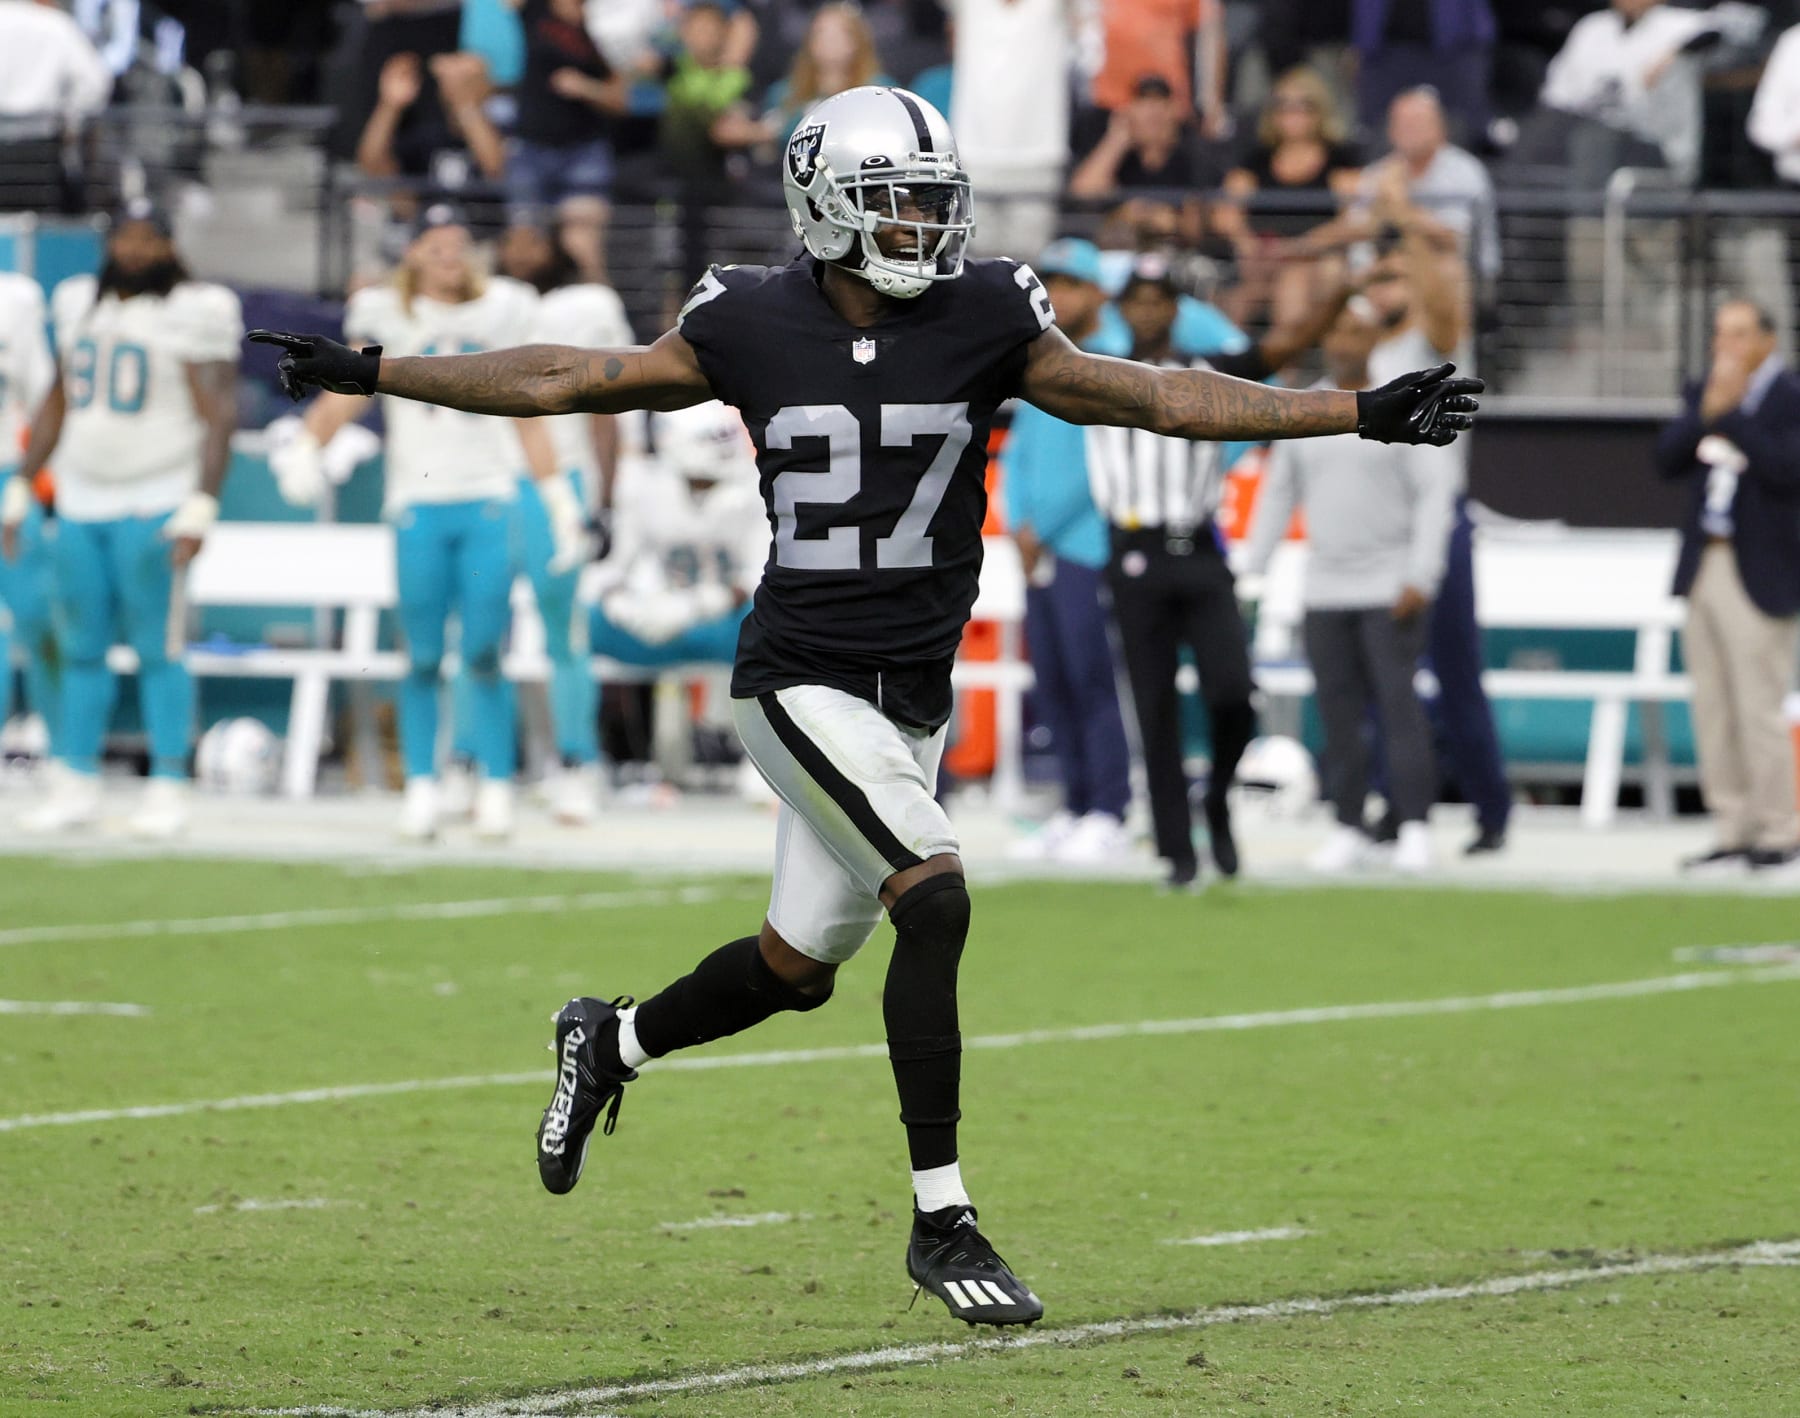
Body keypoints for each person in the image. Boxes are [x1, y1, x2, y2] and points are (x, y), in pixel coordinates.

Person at [251, 85, 1479, 1326]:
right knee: (932, 896)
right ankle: (944, 1217)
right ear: (825, 205)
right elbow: (570, 374)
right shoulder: (746, 316)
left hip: (909, 700)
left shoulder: (988, 311)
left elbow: (1156, 394)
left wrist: (1355, 412)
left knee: (795, 967)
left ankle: (607, 1040)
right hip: (798, 678)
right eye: (896, 205)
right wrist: (379, 371)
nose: (922, 230)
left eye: (935, 205)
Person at [268, 206, 579, 842]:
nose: (448, 257)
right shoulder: (388, 313)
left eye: (457, 245)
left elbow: (525, 403)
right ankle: (422, 786)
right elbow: (349, 386)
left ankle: (495, 783)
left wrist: (557, 497)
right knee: (422, 656)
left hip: (487, 495)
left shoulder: (503, 309)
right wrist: (307, 444)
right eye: (435, 246)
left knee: (485, 651)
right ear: (412, 253)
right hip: (417, 501)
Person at [1087, 254, 1359, 888]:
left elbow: (1280, 348)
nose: (1149, 310)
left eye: (1160, 299)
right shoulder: (1093, 371)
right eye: (1138, 299)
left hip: (1201, 547)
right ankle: (1176, 851)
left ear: (1176, 307)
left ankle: (1217, 798)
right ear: (1121, 308)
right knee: (1153, 705)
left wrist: (1338, 293)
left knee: (1234, 692)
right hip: (1133, 549)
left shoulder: (1208, 371)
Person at [2, 201, 241, 837]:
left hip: (155, 496)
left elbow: (219, 411)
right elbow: (57, 398)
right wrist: (24, 481)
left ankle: (169, 782)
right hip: (81, 496)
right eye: (124, 239)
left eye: (146, 240)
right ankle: (75, 777)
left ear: (168, 246)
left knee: (159, 649)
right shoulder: (79, 300)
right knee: (80, 647)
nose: (134, 251)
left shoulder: (195, 308)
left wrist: (203, 502)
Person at [1243, 295, 1457, 875]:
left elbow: (1435, 492)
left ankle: (1413, 826)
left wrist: (1422, 573)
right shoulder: (1307, 407)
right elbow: (1278, 491)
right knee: (1336, 716)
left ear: (1373, 339)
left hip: (1389, 585)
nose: (1344, 343)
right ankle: (1348, 825)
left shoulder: (1400, 402)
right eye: (1335, 331)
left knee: (1398, 709)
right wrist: (1254, 565)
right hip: (1325, 588)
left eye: (1356, 331)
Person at [1359, 169, 1511, 856]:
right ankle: (1395, 803)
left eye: (1395, 278)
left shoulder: (1435, 342)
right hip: (1378, 527)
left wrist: (1404, 221)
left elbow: (1448, 306)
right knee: (1384, 679)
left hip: (1438, 523)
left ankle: (1491, 810)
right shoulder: (1364, 348)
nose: (1383, 290)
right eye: (1377, 279)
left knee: (1454, 674)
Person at [999, 239, 1134, 866]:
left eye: (1072, 283)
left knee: (1092, 679)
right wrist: (1017, 524)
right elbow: (1018, 450)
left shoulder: (1116, 356)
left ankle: (1110, 810)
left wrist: (1040, 528)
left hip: (1086, 544)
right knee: (1052, 681)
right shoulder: (1040, 354)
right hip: (1039, 548)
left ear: (1099, 291)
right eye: (1052, 281)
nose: (1060, 294)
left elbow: (1096, 464)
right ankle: (1076, 805)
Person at [492, 220, 632, 823]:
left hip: (561, 479)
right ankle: (478, 766)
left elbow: (608, 405)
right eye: (512, 240)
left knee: (563, 631)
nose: (521, 250)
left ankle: (577, 763)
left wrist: (605, 500)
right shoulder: (486, 303)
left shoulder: (587, 305)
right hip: (485, 479)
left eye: (533, 239)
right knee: (475, 636)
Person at [1655, 300, 1800, 874]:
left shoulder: (1788, 396)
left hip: (1758, 568)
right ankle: (1731, 827)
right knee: (1713, 706)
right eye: (1720, 334)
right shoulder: (1704, 393)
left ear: (1766, 340)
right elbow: (1666, 459)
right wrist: (1706, 414)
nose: (1726, 346)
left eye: (1739, 334)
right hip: (1705, 563)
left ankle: (1780, 829)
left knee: (1757, 705)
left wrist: (1733, 416)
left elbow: (1787, 468)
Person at [588, 399, 766, 699]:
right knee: (590, 622)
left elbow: (761, 576)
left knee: (765, 623)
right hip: (659, 617)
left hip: (724, 620)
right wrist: (625, 609)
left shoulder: (753, 486)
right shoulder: (645, 486)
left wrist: (703, 604)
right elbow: (611, 570)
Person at [1215, 67, 1363, 332]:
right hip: (1261, 258)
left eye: (1303, 106)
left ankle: (1291, 356)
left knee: (1294, 282)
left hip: (1315, 257)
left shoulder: (1340, 158)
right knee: (1236, 300)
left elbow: (1353, 220)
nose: (1292, 114)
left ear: (1320, 111)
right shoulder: (1256, 160)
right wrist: (1246, 243)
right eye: (1283, 106)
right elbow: (1226, 213)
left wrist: (1299, 247)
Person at [504, 0, 628, 281]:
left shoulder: (602, 28)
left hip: (583, 154)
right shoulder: (536, 11)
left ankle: (599, 307)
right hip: (530, 151)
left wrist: (586, 87)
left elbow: (620, 100)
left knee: (583, 248)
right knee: (524, 246)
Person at [0, 271, 57, 749]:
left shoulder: (13, 300)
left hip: (6, 474)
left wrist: (31, 483)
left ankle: (61, 740)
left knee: (36, 612)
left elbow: (44, 400)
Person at [1068, 75, 1221, 250]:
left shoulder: (1192, 154)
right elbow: (1083, 194)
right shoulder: (1121, 157)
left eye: (1160, 103)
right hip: (1120, 251)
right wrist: (1116, 141)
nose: (1152, 112)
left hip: (1175, 252)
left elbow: (1197, 228)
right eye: (1144, 103)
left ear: (1174, 111)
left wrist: (1168, 221)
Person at [0, 0, 112, 213]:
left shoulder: (55, 24)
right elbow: (95, 84)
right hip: (40, 150)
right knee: (45, 225)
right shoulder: (55, 25)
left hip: (38, 150)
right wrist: (71, 122)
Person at [759, 3, 889, 148]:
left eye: (839, 34)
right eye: (820, 33)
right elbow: (770, 134)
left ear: (857, 41)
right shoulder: (784, 92)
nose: (828, 41)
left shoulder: (880, 90)